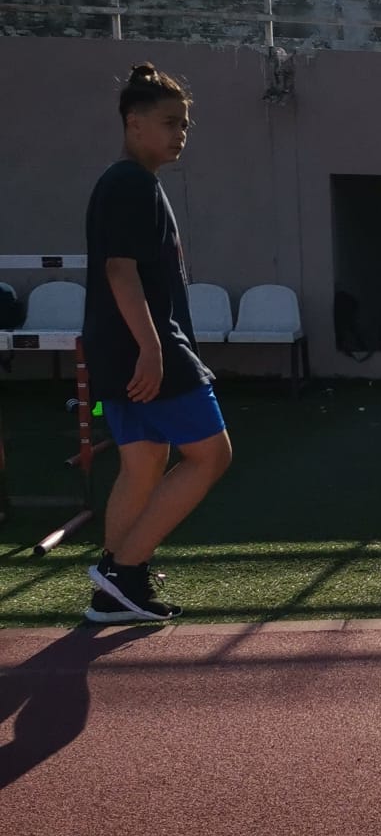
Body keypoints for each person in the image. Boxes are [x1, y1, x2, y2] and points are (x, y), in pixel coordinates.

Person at [82, 64, 232, 623]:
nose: (180, 134)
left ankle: (113, 592)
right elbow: (120, 272)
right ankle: (126, 569)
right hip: (147, 349)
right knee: (212, 454)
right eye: (170, 122)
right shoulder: (129, 183)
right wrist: (151, 349)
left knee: (143, 465)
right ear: (133, 122)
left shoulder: (131, 182)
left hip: (120, 348)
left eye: (186, 125)